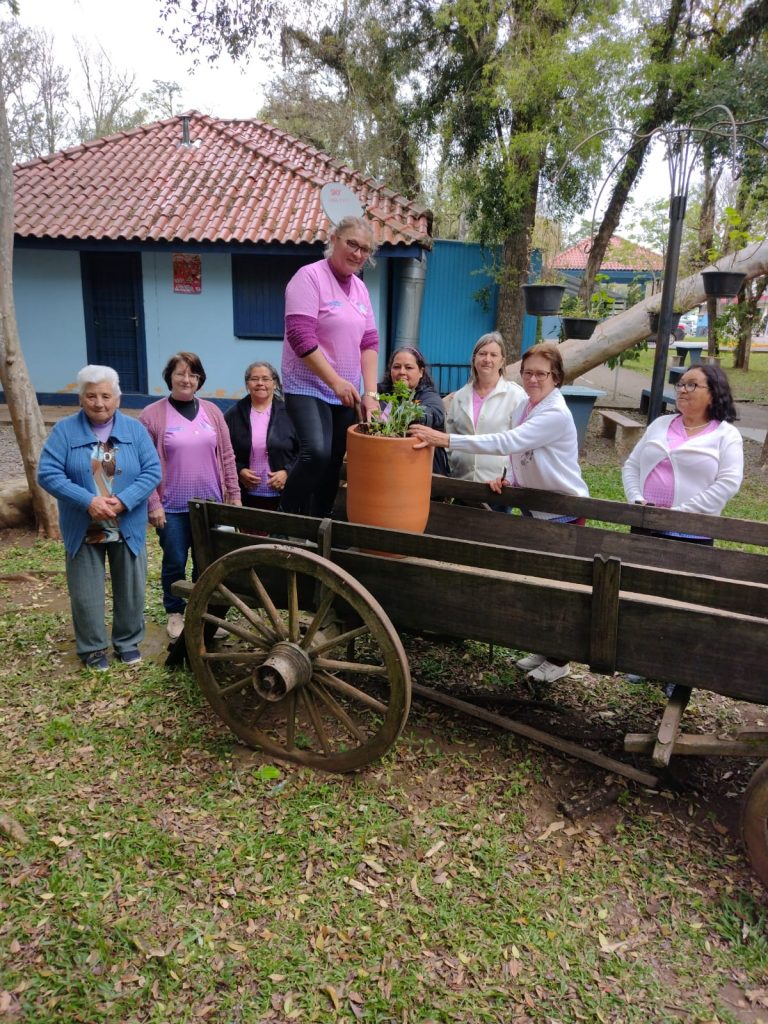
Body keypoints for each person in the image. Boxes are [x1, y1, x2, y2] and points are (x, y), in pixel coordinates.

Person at [410, 342, 589, 684]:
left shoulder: (554, 412)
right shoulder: (528, 405)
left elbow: (509, 442)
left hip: (563, 512)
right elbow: (520, 453)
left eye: (541, 374)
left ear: (556, 377)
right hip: (537, 508)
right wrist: (508, 476)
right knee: (540, 584)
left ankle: (560, 659)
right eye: (528, 372)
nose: (533, 379)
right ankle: (545, 648)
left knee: (560, 588)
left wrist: (445, 440)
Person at [38, 365, 161, 670]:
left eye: (106, 396)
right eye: (91, 396)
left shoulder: (134, 430)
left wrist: (124, 500)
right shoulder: (65, 430)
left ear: (117, 398)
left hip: (126, 522)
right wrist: (88, 501)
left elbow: (152, 471)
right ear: (81, 398)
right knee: (85, 592)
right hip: (84, 524)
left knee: (131, 588)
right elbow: (48, 473)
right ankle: (92, 648)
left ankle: (128, 642)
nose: (99, 403)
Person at [280, 215, 381, 518]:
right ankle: (284, 517)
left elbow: (369, 342)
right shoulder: (309, 277)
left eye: (365, 249)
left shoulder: (361, 289)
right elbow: (300, 336)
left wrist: (371, 395)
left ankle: (319, 525)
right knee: (316, 453)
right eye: (352, 244)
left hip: (345, 392)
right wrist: (335, 381)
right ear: (334, 239)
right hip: (307, 386)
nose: (358, 254)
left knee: (333, 463)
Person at [139, 352, 241, 640]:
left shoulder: (213, 412)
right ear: (169, 377)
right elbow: (143, 464)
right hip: (171, 506)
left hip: (210, 505)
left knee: (206, 562)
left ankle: (203, 614)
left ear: (200, 379)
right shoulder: (152, 415)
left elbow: (227, 456)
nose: (187, 379)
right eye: (180, 373)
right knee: (174, 560)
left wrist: (234, 496)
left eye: (193, 374)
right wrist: (153, 503)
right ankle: (175, 612)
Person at [622, 363, 743, 545]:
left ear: (713, 394)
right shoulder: (660, 424)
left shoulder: (726, 434)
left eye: (692, 385)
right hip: (644, 525)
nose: (682, 390)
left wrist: (680, 512)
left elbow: (729, 483)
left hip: (693, 531)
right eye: (680, 384)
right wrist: (636, 500)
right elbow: (632, 466)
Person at [444, 332, 526, 483]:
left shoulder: (516, 396)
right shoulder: (460, 396)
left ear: (502, 361)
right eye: (482, 354)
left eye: (493, 355)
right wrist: (454, 464)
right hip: (462, 481)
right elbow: (450, 436)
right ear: (474, 358)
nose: (487, 359)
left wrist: (510, 477)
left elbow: (522, 442)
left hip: (498, 484)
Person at [224, 361, 299, 509]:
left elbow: (304, 450)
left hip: (284, 495)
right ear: (247, 384)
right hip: (243, 497)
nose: (260, 383)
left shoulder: (291, 413)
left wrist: (287, 472)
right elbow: (222, 451)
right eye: (254, 379)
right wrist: (239, 471)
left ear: (274, 383)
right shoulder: (233, 414)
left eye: (265, 379)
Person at [378, 347, 449, 476]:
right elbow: (369, 402)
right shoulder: (381, 391)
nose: (402, 372)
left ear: (421, 372)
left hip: (424, 468)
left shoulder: (429, 396)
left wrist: (406, 414)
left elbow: (432, 414)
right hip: (384, 464)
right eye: (396, 367)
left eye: (409, 367)